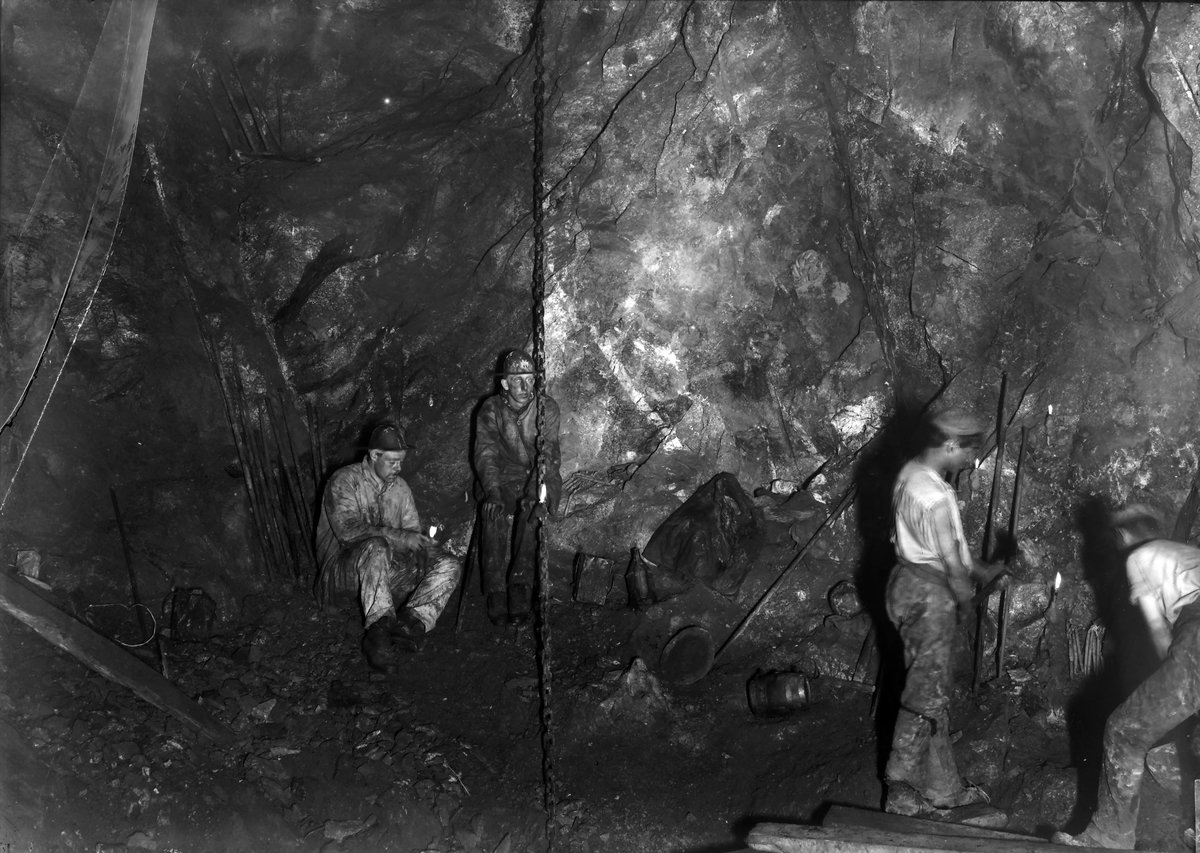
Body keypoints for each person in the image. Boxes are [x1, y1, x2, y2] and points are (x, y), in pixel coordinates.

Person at [883, 410, 1009, 822]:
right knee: (927, 692)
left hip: (904, 582)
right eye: (969, 450)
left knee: (929, 686)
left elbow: (953, 548)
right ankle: (900, 785)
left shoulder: (912, 473)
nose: (970, 459)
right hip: (929, 594)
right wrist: (965, 597)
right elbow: (951, 561)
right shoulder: (936, 497)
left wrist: (985, 570)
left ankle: (943, 788)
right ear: (951, 444)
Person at [1053, 506, 1200, 848]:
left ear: (1122, 536)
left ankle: (1111, 836)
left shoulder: (1140, 558)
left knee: (1125, 730)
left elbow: (1158, 631)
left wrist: (1175, 681)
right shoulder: (1188, 555)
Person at [314, 423, 461, 673]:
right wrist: (402, 538)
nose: (399, 468)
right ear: (374, 455)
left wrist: (423, 548)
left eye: (401, 462)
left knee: (449, 564)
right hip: (343, 574)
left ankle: (409, 624)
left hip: (385, 573)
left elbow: (410, 535)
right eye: (393, 462)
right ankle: (379, 633)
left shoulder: (401, 489)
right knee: (376, 546)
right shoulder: (344, 481)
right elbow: (348, 533)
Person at [472, 349, 562, 626]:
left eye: (529, 379)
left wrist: (539, 496)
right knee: (493, 511)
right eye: (517, 379)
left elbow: (548, 457)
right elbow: (485, 453)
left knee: (530, 509)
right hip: (503, 476)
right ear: (504, 383)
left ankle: (520, 587)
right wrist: (493, 491)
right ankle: (496, 590)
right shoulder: (491, 409)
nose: (525, 386)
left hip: (541, 477)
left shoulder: (547, 408)